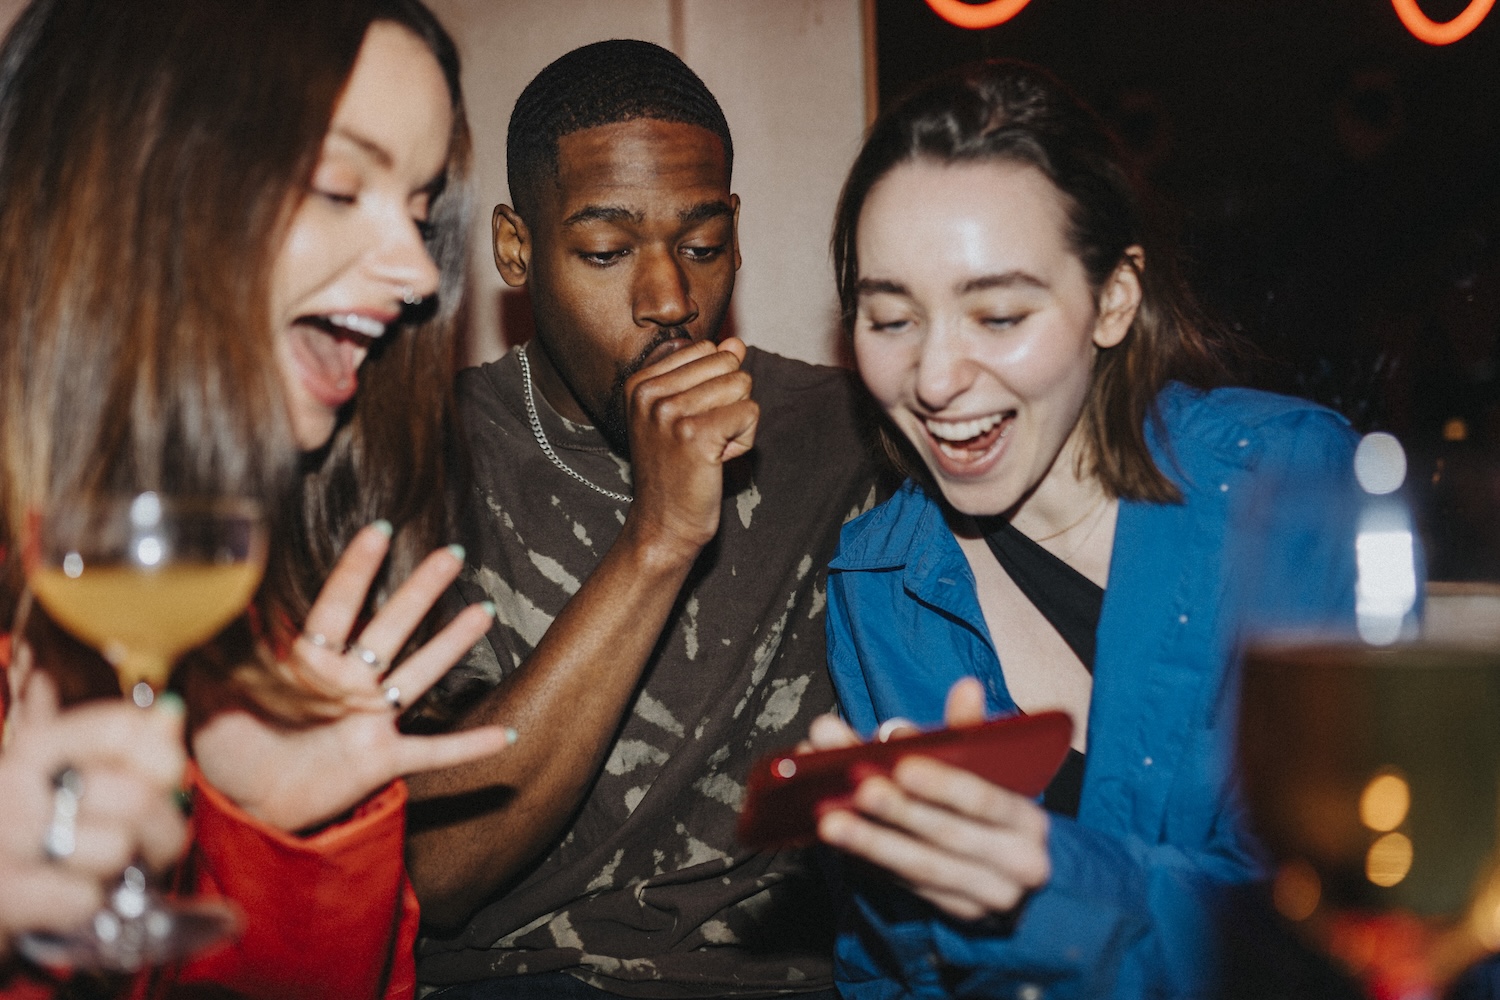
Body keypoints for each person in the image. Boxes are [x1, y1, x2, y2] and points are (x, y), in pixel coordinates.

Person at [802, 60, 1360, 998]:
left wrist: (1047, 883)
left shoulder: (1291, 489)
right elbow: (888, 965)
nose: (935, 379)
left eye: (1000, 313)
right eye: (890, 317)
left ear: (1114, 299)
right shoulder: (875, 586)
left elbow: (1343, 928)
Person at [0, 0, 512, 996]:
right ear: (126, 180)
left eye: (417, 208)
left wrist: (284, 831)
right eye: (335, 186)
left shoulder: (246, 625)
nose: (416, 275)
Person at [404, 39, 878, 1000]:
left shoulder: (848, 435)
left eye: (702, 246)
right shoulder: (422, 459)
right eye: (606, 252)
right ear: (516, 247)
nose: (670, 300)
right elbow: (437, 875)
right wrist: (658, 541)